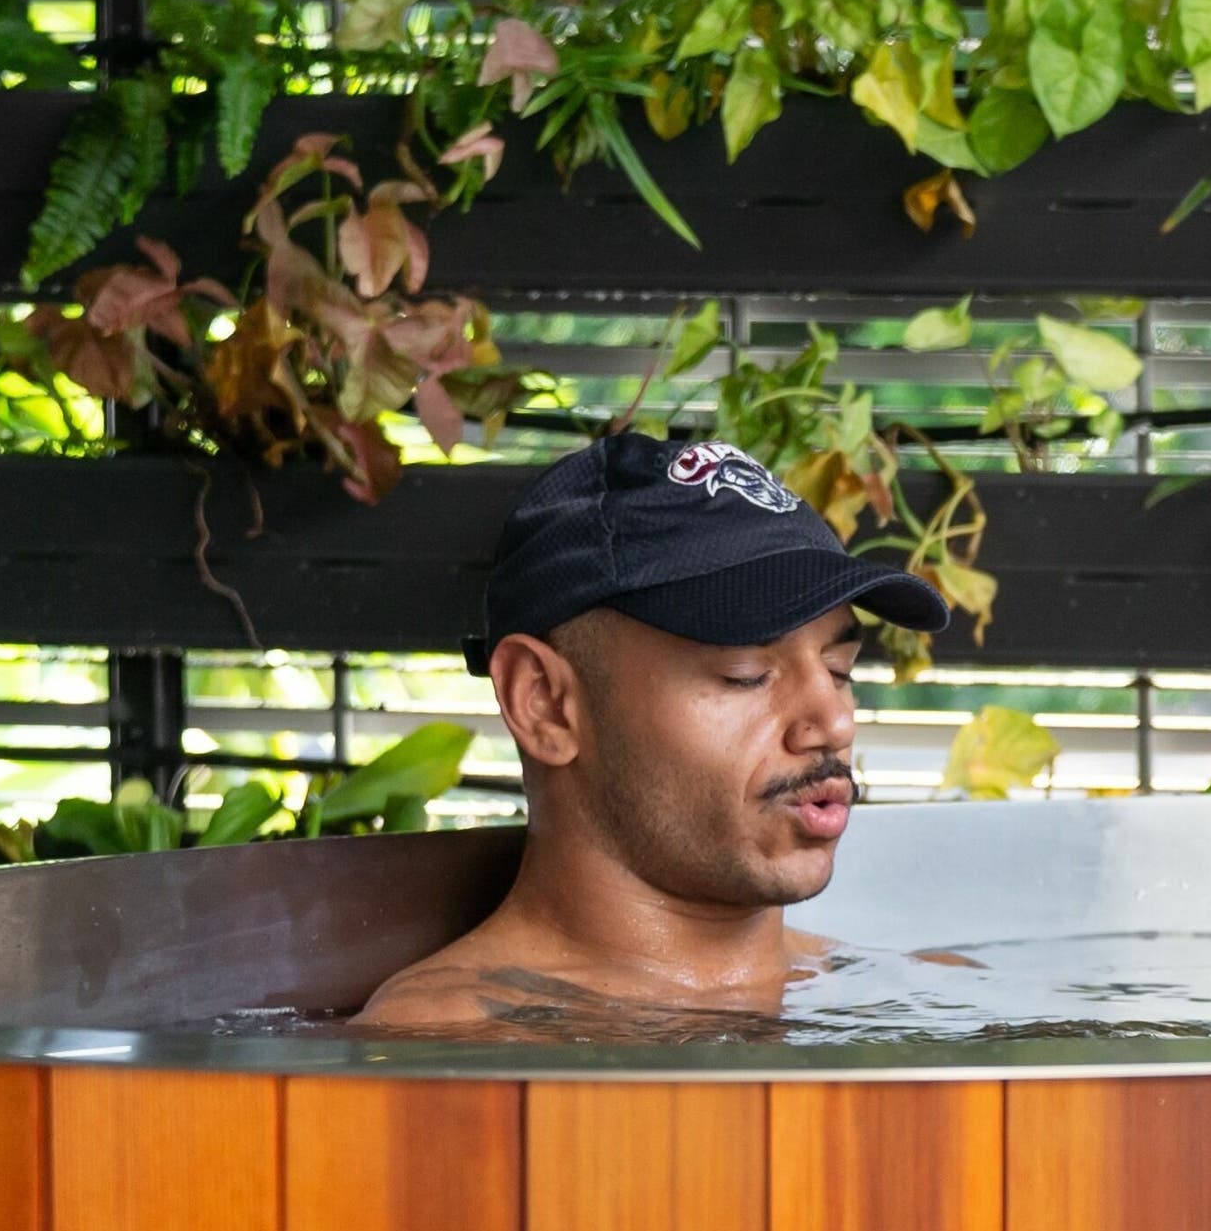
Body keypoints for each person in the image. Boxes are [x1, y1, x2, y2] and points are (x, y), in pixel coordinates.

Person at [355, 433, 950, 1030]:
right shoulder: (444, 1056)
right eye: (745, 674)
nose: (836, 721)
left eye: (838, 670)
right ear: (544, 704)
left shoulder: (924, 994)